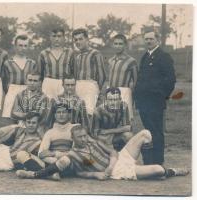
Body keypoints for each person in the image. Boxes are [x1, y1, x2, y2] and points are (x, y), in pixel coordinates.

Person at [16, 125, 189, 180]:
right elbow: (81, 172)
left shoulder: (91, 139)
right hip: (116, 171)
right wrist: (98, 174)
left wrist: (113, 160)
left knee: (145, 134)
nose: (84, 138)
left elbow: (112, 151)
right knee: (158, 170)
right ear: (73, 138)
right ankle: (170, 171)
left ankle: (144, 164)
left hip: (120, 159)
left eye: (85, 134)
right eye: (80, 136)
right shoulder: (74, 155)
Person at [134, 29, 176, 165]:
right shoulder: (145, 56)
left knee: (156, 131)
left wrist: (162, 97)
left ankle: (158, 162)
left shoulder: (163, 56)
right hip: (143, 102)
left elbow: (170, 80)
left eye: (151, 39)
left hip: (155, 102)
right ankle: (149, 161)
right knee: (148, 131)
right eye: (146, 39)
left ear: (157, 39)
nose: (148, 41)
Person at [0, 72, 54, 139]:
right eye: (30, 80)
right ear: (26, 81)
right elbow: (13, 114)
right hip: (21, 125)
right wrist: (28, 115)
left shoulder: (44, 98)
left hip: (37, 127)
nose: (32, 83)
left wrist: (23, 115)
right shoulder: (20, 95)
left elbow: (41, 118)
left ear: (40, 83)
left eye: (35, 81)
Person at [2, 35, 37, 121]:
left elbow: (36, 80)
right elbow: (4, 81)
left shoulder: (32, 63)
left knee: (26, 119)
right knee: (11, 118)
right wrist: (9, 91)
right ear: (15, 46)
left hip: (27, 90)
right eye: (20, 45)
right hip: (12, 90)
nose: (23, 48)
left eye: (25, 46)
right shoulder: (8, 63)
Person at [72, 28, 106, 116]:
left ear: (87, 39)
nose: (78, 42)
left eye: (80, 39)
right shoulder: (78, 56)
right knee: (78, 112)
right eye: (76, 40)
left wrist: (98, 91)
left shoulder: (95, 53)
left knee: (88, 113)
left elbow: (102, 75)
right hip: (78, 86)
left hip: (91, 86)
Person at [37, 28, 75, 100]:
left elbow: (73, 72)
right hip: (48, 83)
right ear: (50, 38)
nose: (56, 39)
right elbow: (39, 74)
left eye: (59, 36)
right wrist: (39, 89)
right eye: (54, 36)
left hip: (64, 84)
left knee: (63, 107)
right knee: (47, 107)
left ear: (64, 38)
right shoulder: (44, 53)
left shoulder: (69, 52)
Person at [108, 34, 138, 121]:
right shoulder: (111, 60)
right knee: (112, 119)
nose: (118, 46)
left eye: (120, 44)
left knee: (125, 119)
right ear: (113, 45)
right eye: (116, 44)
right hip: (111, 92)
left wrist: (132, 97)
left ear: (125, 45)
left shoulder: (131, 61)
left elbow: (136, 81)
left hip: (124, 92)